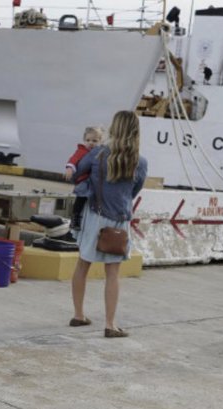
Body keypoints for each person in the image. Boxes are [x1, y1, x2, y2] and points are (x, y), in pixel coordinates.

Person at [69, 110, 148, 338]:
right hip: (118, 222)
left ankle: (78, 314)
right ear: (135, 132)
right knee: (112, 273)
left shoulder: (97, 154)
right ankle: (110, 324)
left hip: (93, 215)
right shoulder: (140, 162)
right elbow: (133, 192)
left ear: (114, 128)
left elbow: (76, 175)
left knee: (83, 264)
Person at [64, 126, 104, 236]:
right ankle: (75, 217)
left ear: (100, 141)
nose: (91, 143)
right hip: (84, 181)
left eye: (94, 141)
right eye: (88, 140)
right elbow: (73, 159)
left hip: (94, 182)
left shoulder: (101, 152)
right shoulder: (82, 150)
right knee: (80, 198)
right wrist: (69, 168)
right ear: (84, 140)